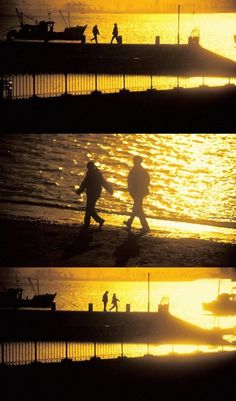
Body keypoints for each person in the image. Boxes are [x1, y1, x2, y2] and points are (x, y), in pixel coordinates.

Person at [75, 161, 113, 230]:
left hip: (92, 194)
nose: (88, 169)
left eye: (89, 168)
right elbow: (103, 182)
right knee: (90, 208)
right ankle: (94, 222)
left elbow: (84, 183)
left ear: (90, 167)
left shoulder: (91, 174)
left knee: (89, 209)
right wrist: (110, 189)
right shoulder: (97, 173)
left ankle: (90, 223)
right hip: (95, 193)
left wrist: (80, 190)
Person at [124, 155, 150, 233]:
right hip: (138, 192)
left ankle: (133, 222)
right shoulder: (140, 170)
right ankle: (142, 225)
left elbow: (142, 182)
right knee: (138, 208)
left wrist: (133, 188)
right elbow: (147, 181)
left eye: (134, 160)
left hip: (138, 192)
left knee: (137, 207)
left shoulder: (138, 170)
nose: (133, 161)